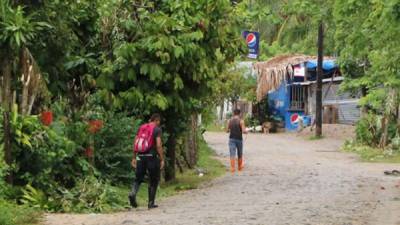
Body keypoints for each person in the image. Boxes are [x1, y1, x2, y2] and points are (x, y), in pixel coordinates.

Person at [129, 113, 165, 209]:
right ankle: (150, 203)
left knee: (138, 178)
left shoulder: (141, 128)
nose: (158, 123)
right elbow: (158, 145)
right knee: (153, 180)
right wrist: (161, 159)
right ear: (157, 120)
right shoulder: (157, 129)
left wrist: (134, 157)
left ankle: (133, 193)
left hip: (140, 156)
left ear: (150, 119)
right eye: (158, 122)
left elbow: (135, 142)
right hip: (151, 157)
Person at [226, 109, 247, 173]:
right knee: (239, 153)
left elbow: (227, 130)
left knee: (232, 153)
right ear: (239, 114)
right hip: (239, 139)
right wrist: (246, 131)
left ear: (233, 113)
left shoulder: (229, 121)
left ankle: (232, 168)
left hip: (231, 139)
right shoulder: (241, 121)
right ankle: (239, 167)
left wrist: (230, 130)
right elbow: (243, 131)